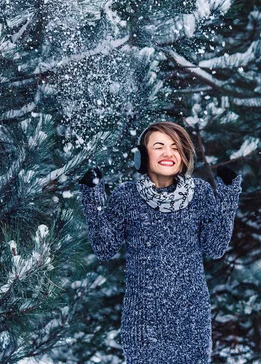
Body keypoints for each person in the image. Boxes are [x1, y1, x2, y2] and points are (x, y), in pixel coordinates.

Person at [78, 121, 242, 363]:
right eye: (159, 146)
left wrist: (228, 197)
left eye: (175, 147)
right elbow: (105, 248)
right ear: (142, 156)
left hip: (191, 322)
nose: (168, 153)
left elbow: (215, 247)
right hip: (143, 324)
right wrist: (93, 195)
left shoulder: (201, 193)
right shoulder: (127, 196)